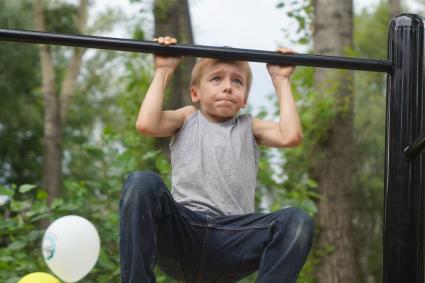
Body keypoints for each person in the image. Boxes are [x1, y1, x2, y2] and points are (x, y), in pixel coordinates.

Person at [119, 36, 314, 283]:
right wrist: (164, 70)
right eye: (216, 79)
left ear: (244, 99)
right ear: (195, 93)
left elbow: (290, 136)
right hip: (184, 234)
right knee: (141, 182)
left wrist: (281, 79)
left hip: (233, 240)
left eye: (237, 81)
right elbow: (147, 123)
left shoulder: (249, 126)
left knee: (297, 221)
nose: (227, 86)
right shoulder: (187, 118)